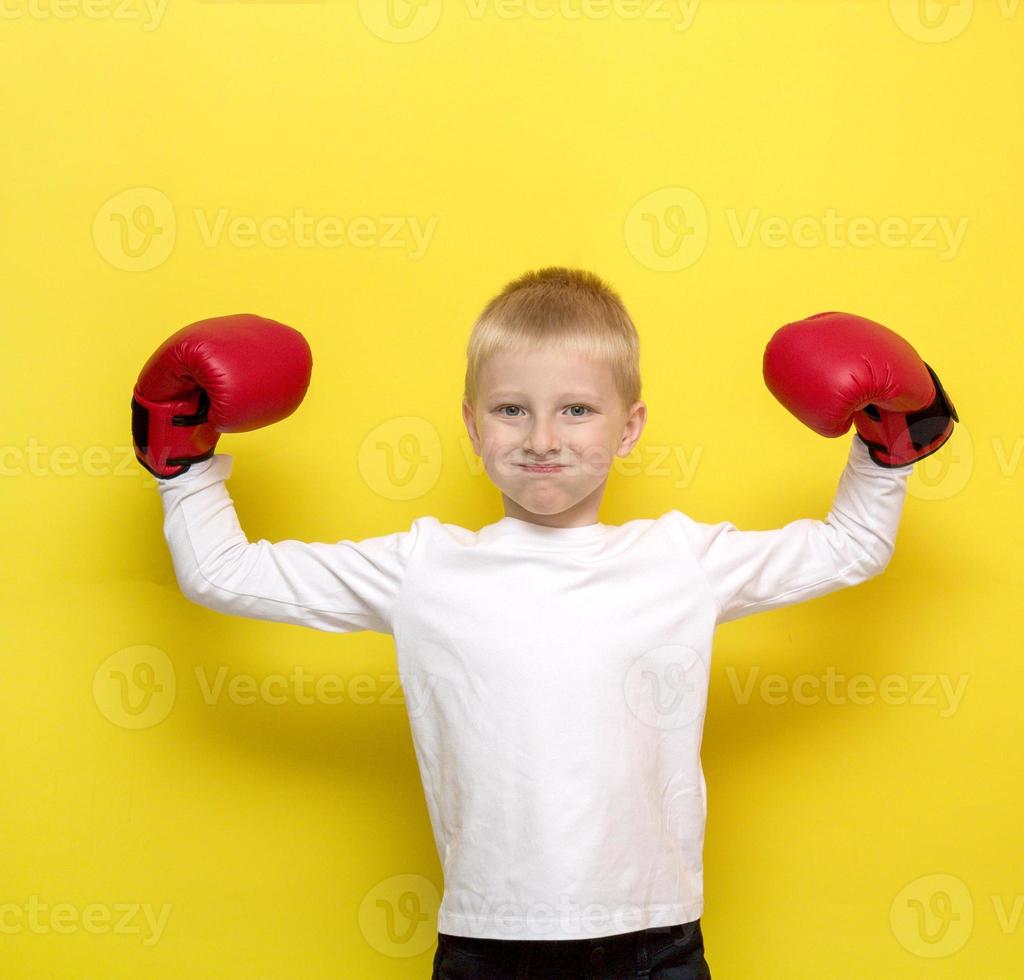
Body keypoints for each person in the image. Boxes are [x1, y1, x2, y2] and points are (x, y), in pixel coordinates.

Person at [132, 267, 958, 979]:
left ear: (629, 427)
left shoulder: (679, 560)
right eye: (511, 410)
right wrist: (181, 458)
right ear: (471, 424)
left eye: (575, 410)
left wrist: (893, 439)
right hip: (488, 941)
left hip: (652, 939)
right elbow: (223, 573)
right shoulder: (424, 567)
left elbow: (850, 548)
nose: (540, 439)